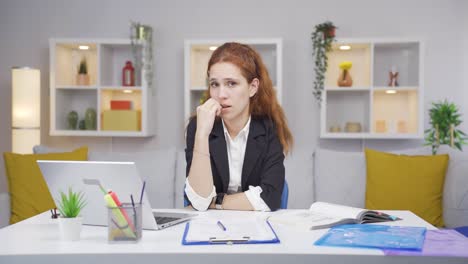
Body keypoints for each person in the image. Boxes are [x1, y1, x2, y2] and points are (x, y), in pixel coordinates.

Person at [184, 42, 293, 212]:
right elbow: (199, 201)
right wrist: (201, 135)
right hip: (209, 227)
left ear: (252, 87)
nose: (221, 95)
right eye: (214, 84)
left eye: (231, 83)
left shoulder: (269, 128)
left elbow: (270, 197)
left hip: (257, 226)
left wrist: (217, 201)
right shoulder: (198, 126)